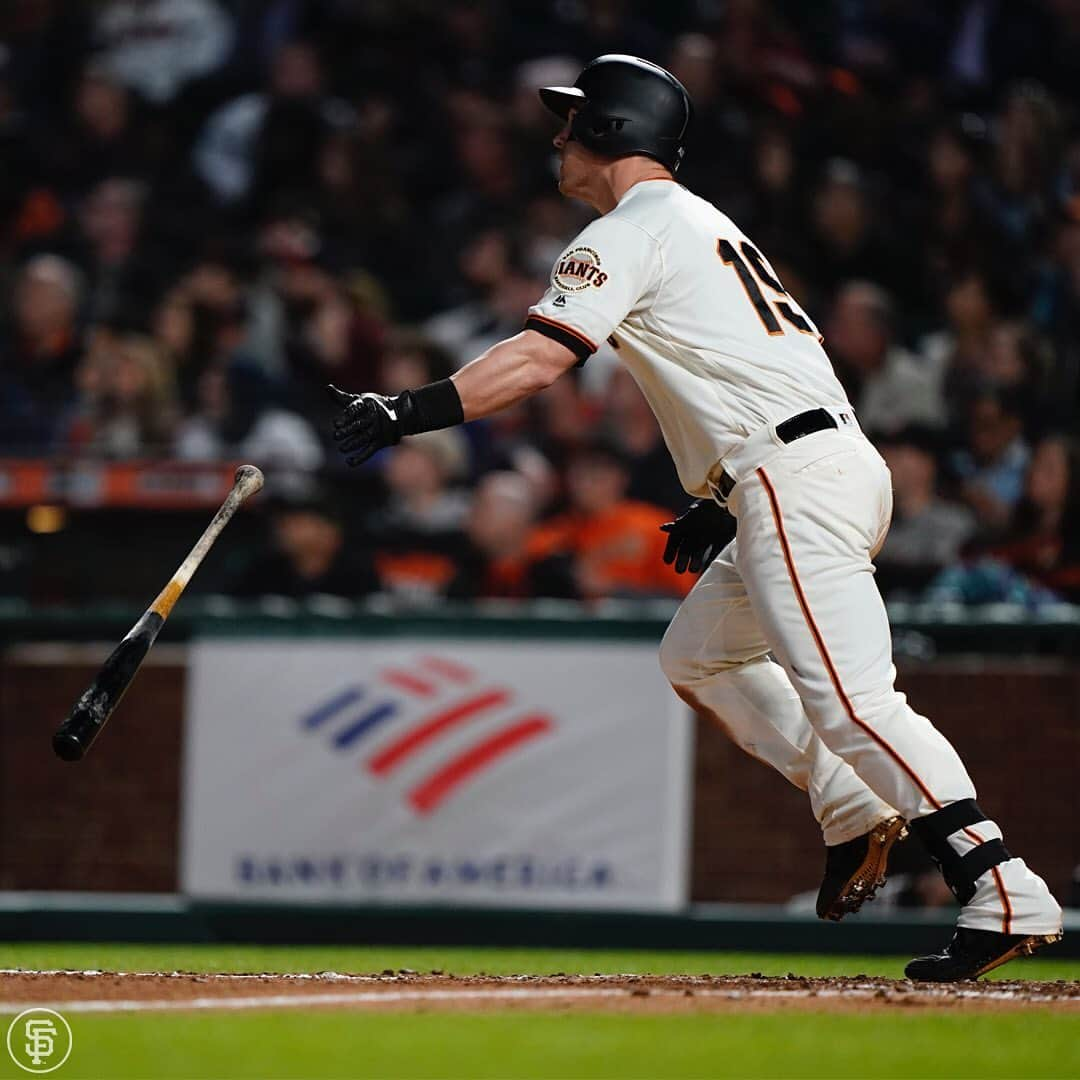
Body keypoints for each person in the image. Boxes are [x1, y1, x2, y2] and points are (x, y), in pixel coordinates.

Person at [324, 54, 1062, 980]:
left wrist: (408, 411)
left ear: (611, 130)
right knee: (699, 654)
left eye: (573, 119)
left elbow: (541, 359)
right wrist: (722, 496)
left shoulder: (630, 228)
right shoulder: (703, 225)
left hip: (793, 478)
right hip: (809, 464)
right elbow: (750, 369)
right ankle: (850, 803)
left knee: (855, 699)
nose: (558, 136)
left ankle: (1002, 888)